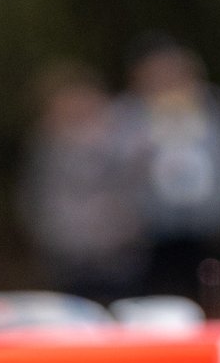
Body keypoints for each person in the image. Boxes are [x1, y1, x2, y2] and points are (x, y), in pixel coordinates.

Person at [115, 35, 220, 302]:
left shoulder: (215, 107)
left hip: (208, 228)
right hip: (148, 234)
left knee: (209, 295)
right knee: (153, 300)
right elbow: (115, 168)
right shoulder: (127, 114)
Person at [17, 59, 145, 302]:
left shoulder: (125, 139)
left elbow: (139, 188)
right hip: (68, 254)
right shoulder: (47, 144)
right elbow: (37, 198)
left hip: (120, 253)